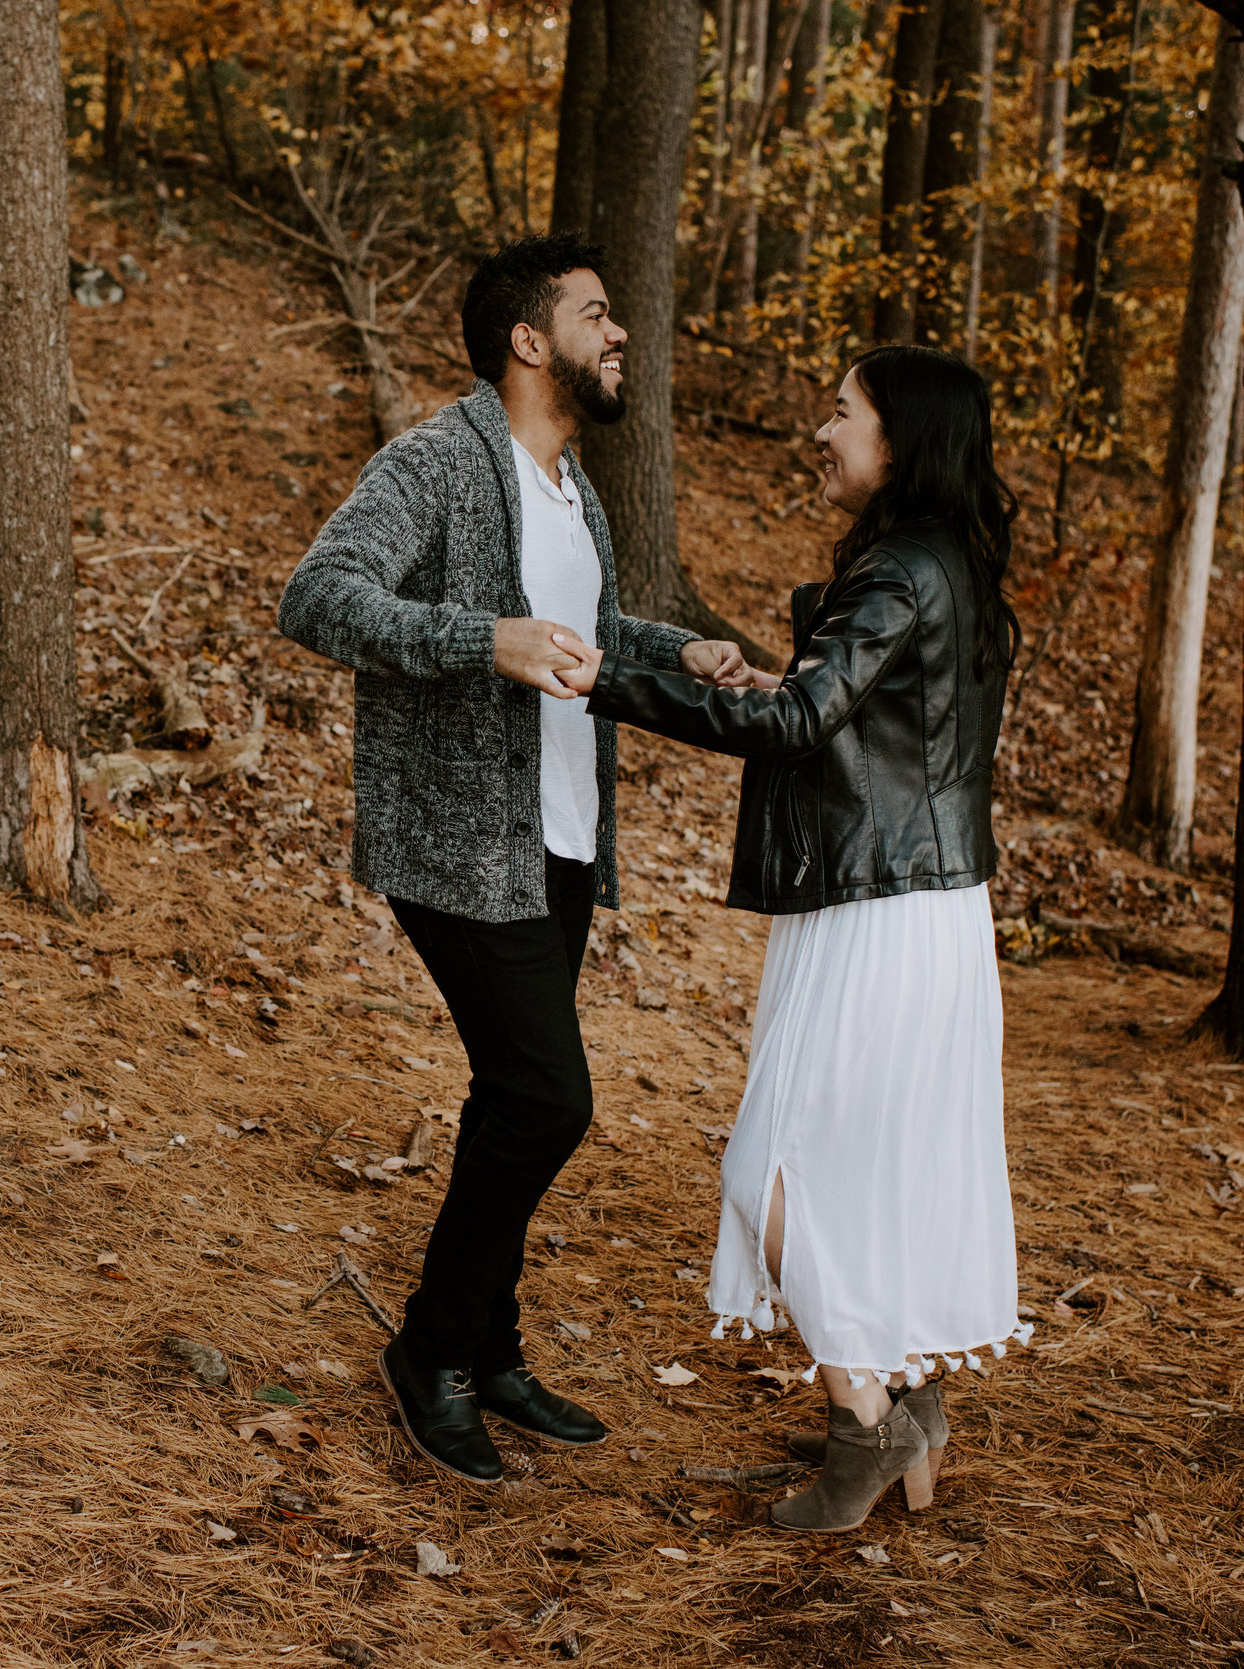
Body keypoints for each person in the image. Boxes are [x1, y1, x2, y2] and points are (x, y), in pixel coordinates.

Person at [276, 233, 737, 1485]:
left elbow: (573, 634)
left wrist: (669, 645)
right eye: (597, 314)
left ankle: (492, 1344)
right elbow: (318, 596)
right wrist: (480, 641)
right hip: (459, 846)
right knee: (545, 1099)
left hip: (561, 843)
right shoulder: (436, 460)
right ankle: (430, 1351)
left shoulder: (570, 485)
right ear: (530, 341)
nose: (619, 332)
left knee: (507, 1097)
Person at [550, 344, 1030, 1532]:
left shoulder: (899, 569)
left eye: (841, 412)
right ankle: (905, 1407)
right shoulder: (945, 565)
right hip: (926, 903)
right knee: (865, 1170)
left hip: (876, 914)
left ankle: (861, 1421)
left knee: (766, 1169)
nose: (821, 431)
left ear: (899, 439)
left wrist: (611, 679)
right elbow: (869, 725)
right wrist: (774, 677)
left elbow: (805, 724)